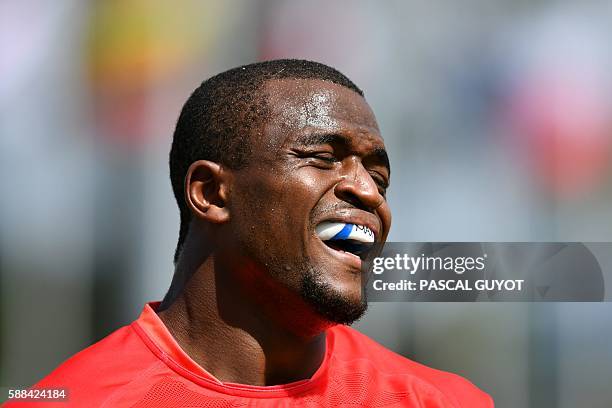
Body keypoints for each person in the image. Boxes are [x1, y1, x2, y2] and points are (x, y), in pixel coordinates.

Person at [6, 59, 493, 407]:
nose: (369, 193)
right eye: (323, 158)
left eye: (379, 177)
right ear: (212, 194)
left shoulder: (440, 401)